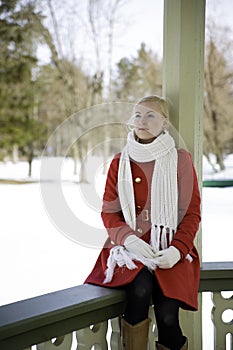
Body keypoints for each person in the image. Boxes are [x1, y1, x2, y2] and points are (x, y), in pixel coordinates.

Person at [85, 95, 201, 350]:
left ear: (165, 123)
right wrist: (129, 240)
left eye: (151, 115)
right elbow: (109, 212)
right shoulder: (120, 161)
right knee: (138, 293)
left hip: (169, 249)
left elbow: (192, 213)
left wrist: (177, 250)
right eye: (137, 115)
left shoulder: (180, 160)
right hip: (128, 251)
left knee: (169, 315)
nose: (142, 121)